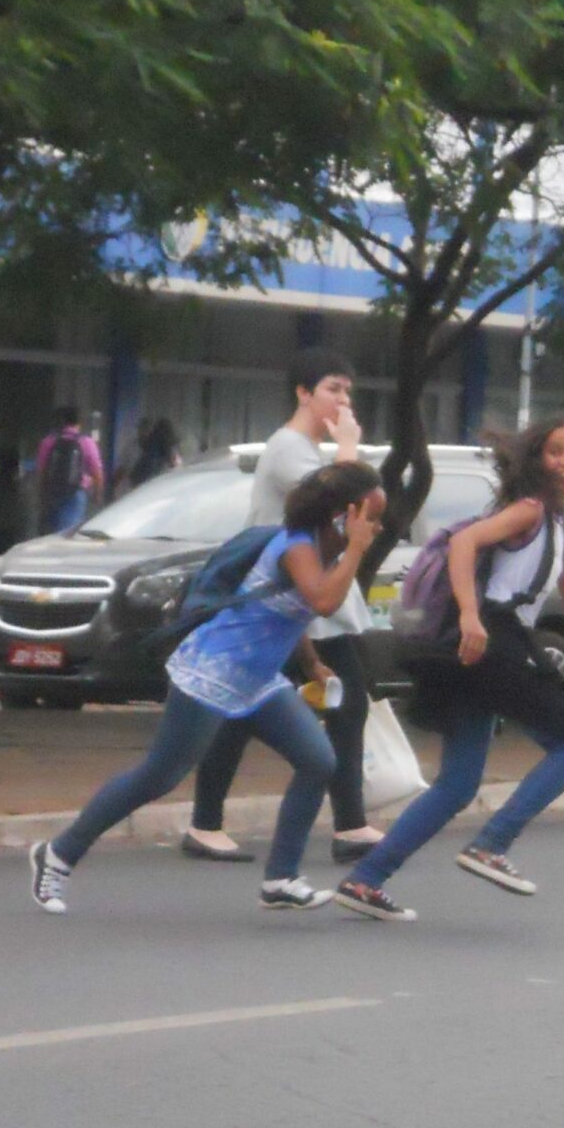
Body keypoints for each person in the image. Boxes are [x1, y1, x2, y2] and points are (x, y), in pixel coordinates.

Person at [28, 464, 385, 915]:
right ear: (342, 516)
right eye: (371, 517)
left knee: (318, 761)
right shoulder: (297, 546)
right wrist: (357, 548)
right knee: (160, 775)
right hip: (211, 671)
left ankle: (280, 879)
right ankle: (57, 854)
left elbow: (288, 611)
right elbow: (322, 601)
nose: (377, 527)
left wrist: (312, 663)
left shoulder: (324, 551)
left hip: (257, 681)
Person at [335, 417, 564, 921]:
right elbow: (464, 546)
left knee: (457, 785)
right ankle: (492, 843)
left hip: (480, 653)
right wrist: (468, 615)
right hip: (491, 642)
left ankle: (366, 879)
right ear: (536, 460)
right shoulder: (526, 511)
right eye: (557, 452)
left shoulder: (558, 525)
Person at [183, 347, 386, 865]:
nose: (343, 401)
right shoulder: (288, 448)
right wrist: (349, 448)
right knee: (265, 709)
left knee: (339, 703)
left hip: (308, 598)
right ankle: (209, 823)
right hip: (294, 599)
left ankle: (348, 823)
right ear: (303, 392)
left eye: (346, 391)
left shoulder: (304, 449)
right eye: (332, 389)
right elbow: (340, 502)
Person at [35, 407, 104, 533]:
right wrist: (97, 496)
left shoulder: (48, 441)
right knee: (68, 533)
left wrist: (41, 495)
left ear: (62, 421)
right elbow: (97, 473)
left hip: (52, 492)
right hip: (76, 493)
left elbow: (41, 472)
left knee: (51, 533)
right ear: (79, 423)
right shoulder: (87, 442)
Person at [116, 417, 182, 495]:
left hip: (157, 490)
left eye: (148, 429)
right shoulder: (133, 448)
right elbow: (122, 470)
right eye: (142, 429)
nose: (144, 432)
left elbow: (175, 466)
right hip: (137, 490)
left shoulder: (162, 450)